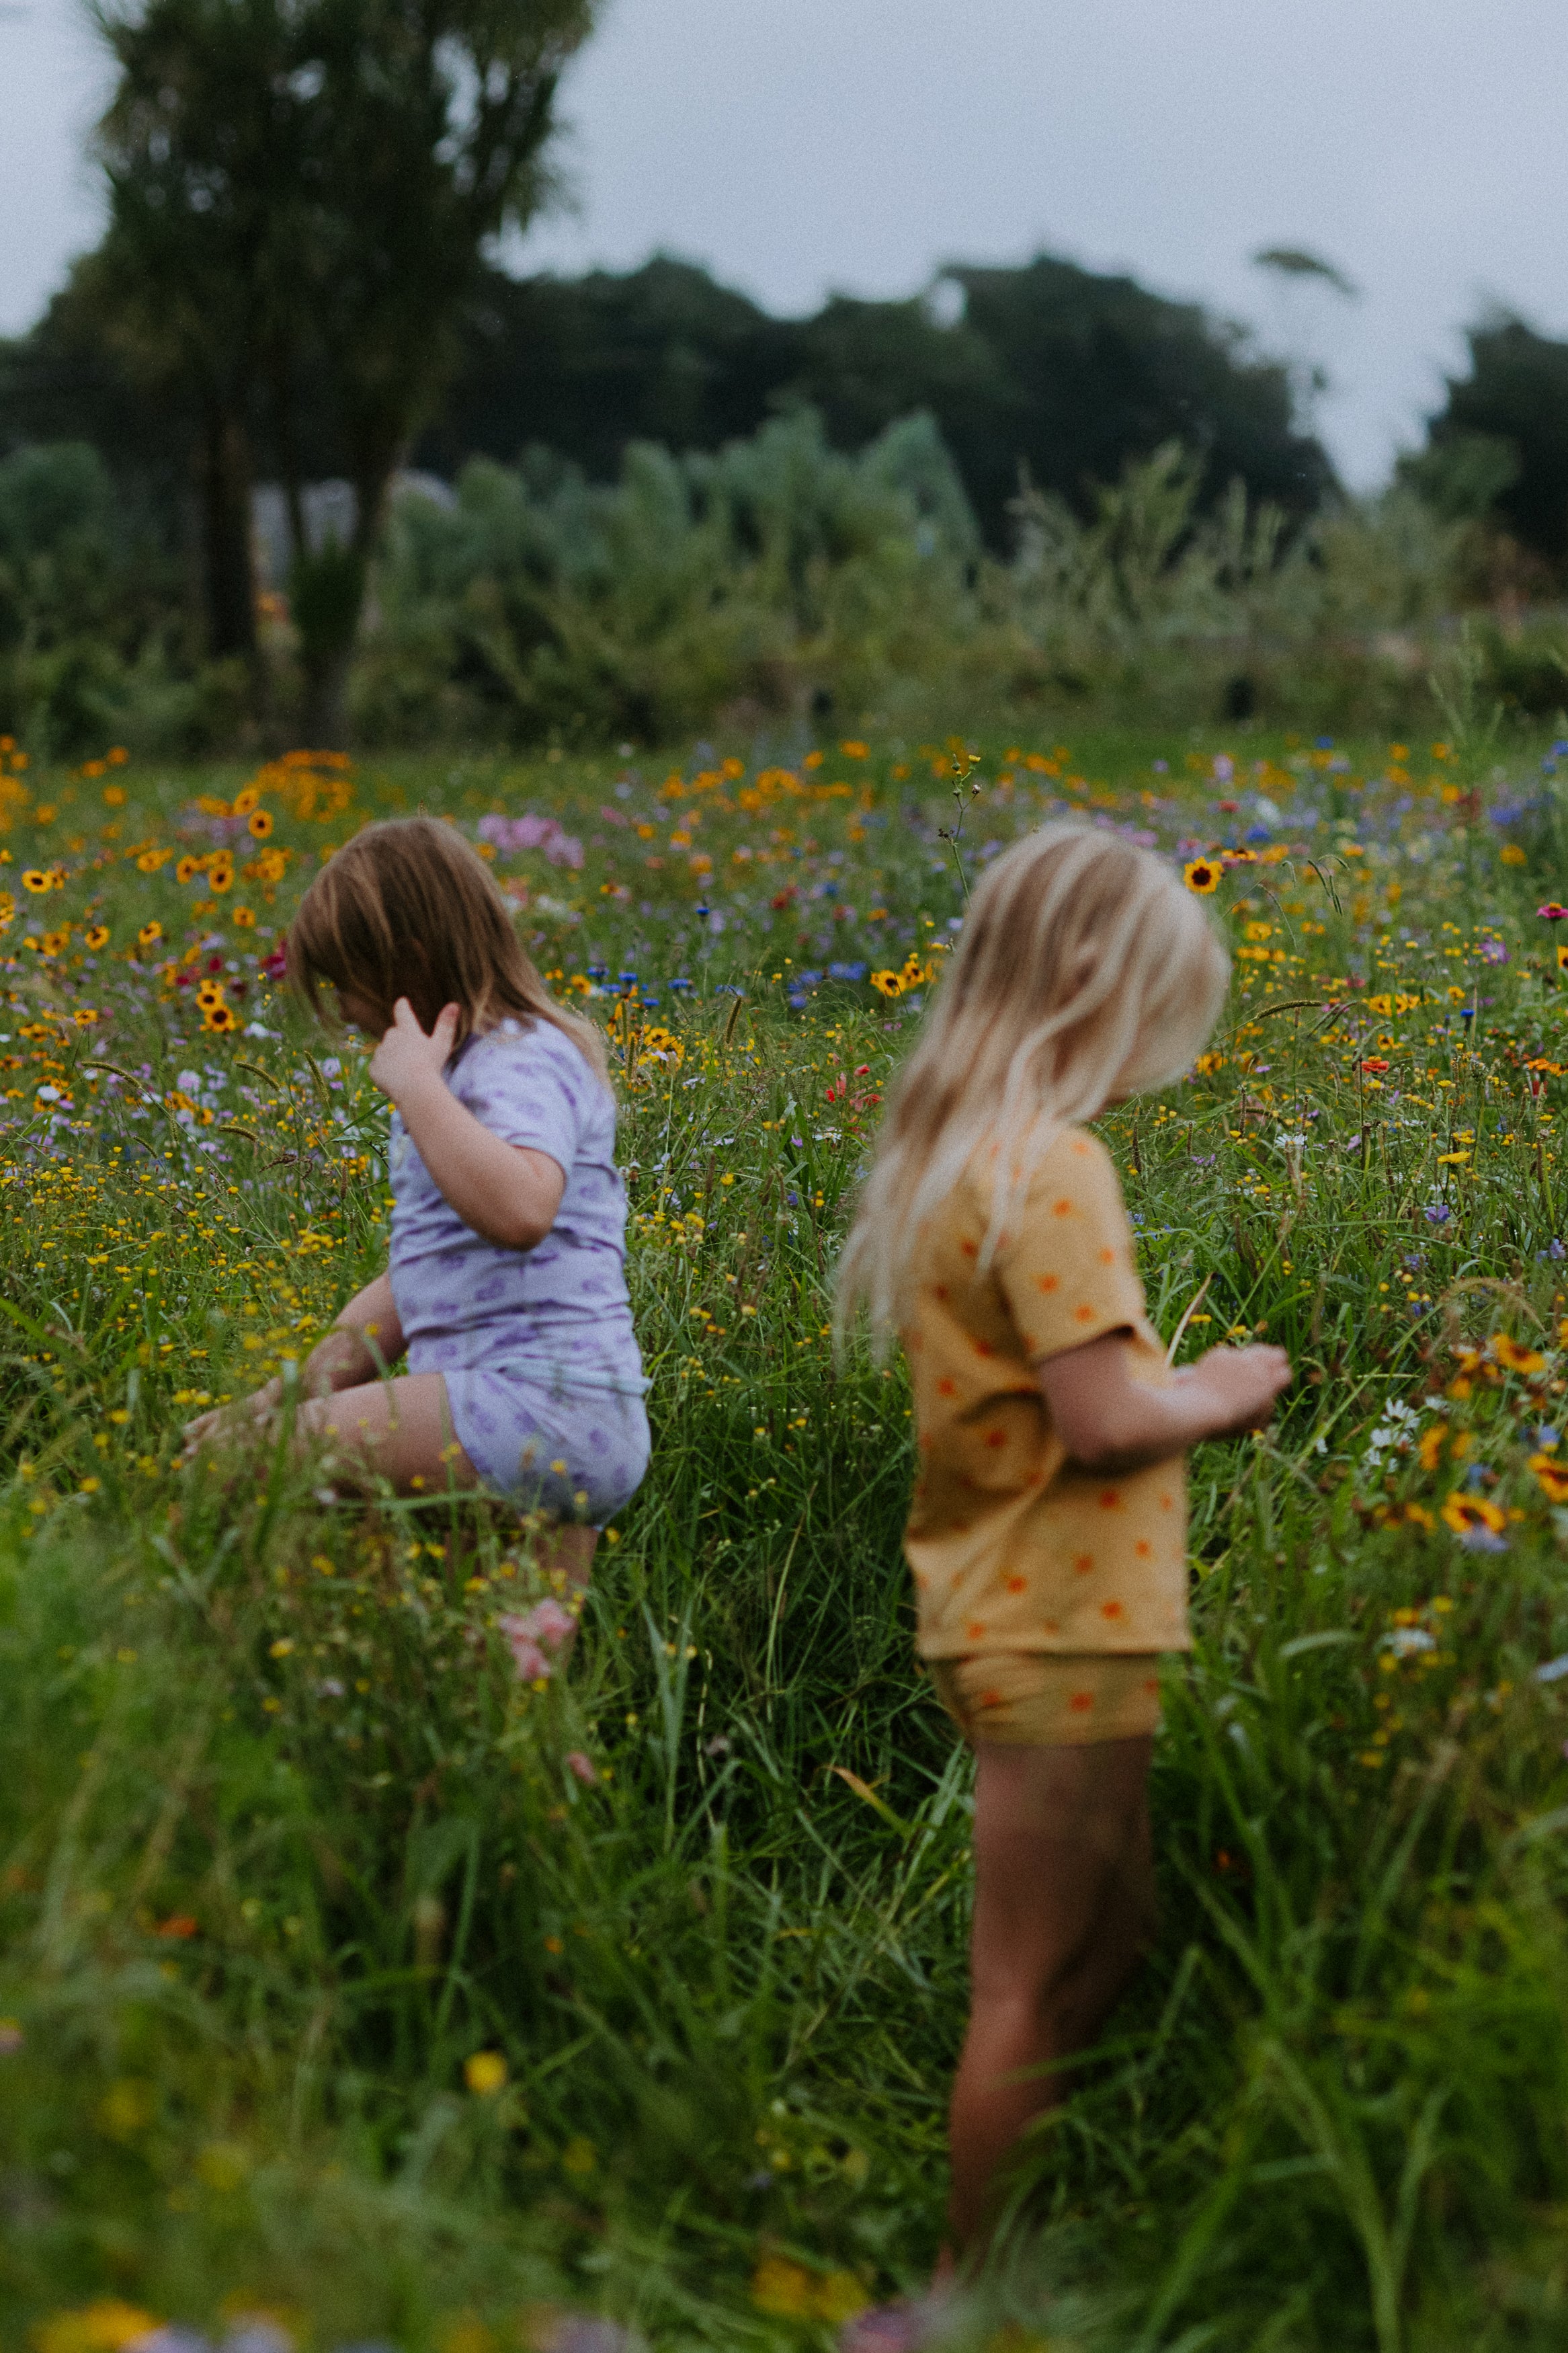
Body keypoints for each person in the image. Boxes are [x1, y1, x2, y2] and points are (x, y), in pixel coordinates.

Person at [835, 822, 1291, 2313]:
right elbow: (1100, 1422)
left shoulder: (956, 1159)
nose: (1151, 1053)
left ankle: (1055, 2221)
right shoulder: (1052, 1169)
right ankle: (961, 2296)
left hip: (1014, 1610)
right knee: (1023, 1979)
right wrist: (1221, 1385)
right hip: (1059, 1625)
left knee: (1115, 1932)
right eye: (1154, 1015)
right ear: (1089, 981)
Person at [185, 815, 649, 1608]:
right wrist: (276, 1398)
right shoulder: (480, 1074)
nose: (344, 1013)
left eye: (347, 984)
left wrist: (419, 1087)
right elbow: (410, 1291)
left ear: (412, 963)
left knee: (247, 1466)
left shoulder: (514, 1059)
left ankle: (239, 1680)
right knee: (506, 1690)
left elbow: (523, 1207)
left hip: (527, 1402)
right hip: (565, 1416)